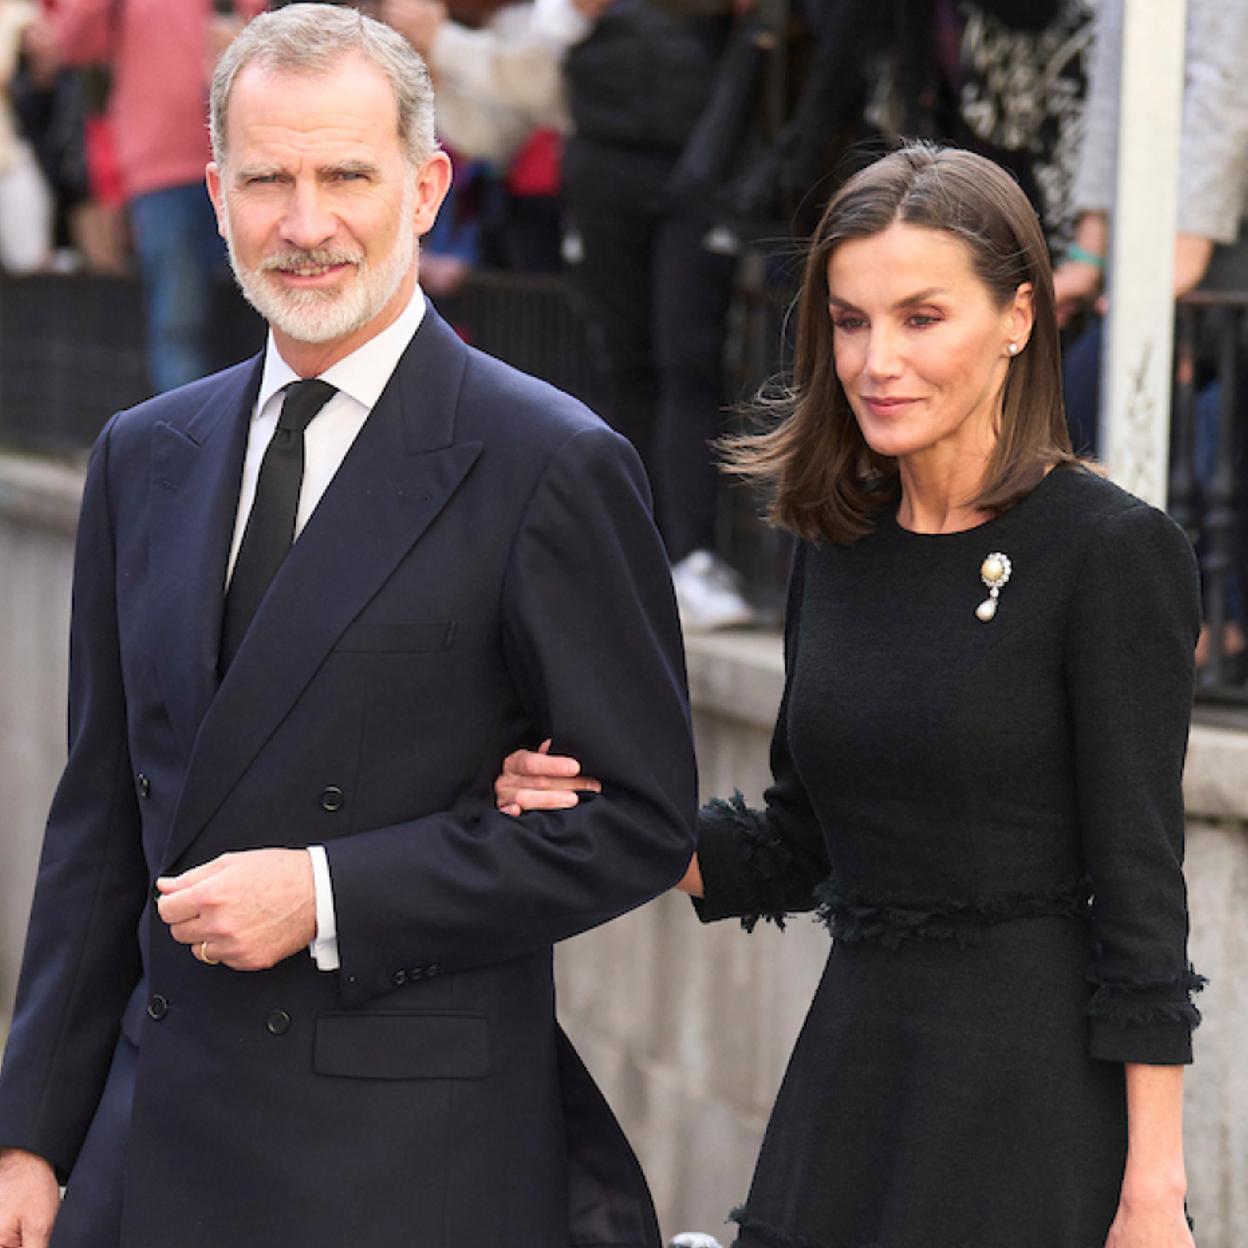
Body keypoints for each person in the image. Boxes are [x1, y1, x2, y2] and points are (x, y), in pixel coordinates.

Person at [0, 6, 696, 1247]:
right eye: (268, 178)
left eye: (346, 177)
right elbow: (104, 814)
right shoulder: (143, 455)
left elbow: (638, 823)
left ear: (426, 188)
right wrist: (31, 1134)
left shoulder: (549, 460)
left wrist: (327, 893)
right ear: (214, 193)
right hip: (151, 1140)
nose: (306, 224)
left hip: (402, 1166)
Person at [497, 143, 1204, 1247]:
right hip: (854, 1084)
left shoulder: (1110, 552)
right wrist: (601, 819)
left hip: (1029, 1110)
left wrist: (1153, 1191)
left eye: (922, 318)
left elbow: (1144, 894)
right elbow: (800, 839)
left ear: (1020, 317)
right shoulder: (837, 544)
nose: (878, 360)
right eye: (850, 320)